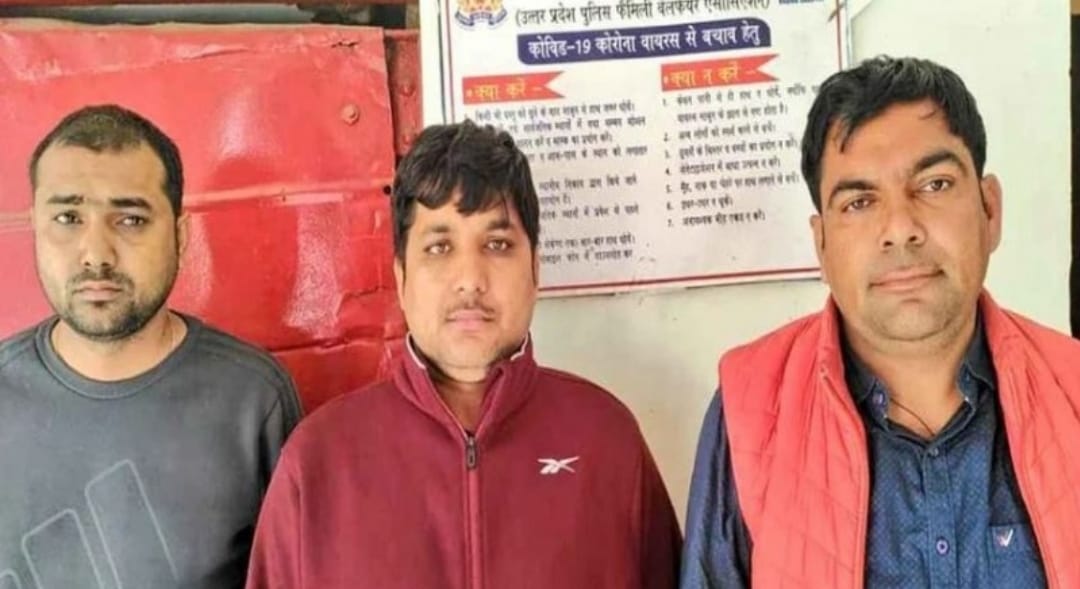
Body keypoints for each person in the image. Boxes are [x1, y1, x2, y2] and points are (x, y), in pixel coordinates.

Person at [681, 56, 1080, 588]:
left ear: (990, 211)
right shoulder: (752, 408)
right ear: (822, 244)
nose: (900, 228)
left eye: (934, 185)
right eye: (860, 202)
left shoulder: (1071, 387)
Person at [246, 120, 681, 589]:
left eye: (497, 245)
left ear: (535, 270)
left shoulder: (606, 440)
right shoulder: (317, 462)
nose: (470, 278)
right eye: (439, 247)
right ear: (402, 278)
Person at [0, 104, 301, 588]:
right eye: (69, 217)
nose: (96, 254)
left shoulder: (252, 399)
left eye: (131, 219)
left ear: (179, 234)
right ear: (35, 224)